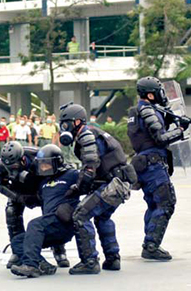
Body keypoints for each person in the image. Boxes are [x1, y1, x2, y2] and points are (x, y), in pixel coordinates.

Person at [58, 103, 137, 274]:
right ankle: (113, 258)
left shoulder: (86, 135)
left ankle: (89, 261)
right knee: (102, 217)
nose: (63, 128)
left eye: (66, 124)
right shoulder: (94, 132)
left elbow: (90, 167)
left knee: (80, 215)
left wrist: (78, 188)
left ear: (77, 122)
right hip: (118, 184)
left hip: (113, 185)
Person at [127, 76, 189, 261]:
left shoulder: (139, 111)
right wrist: (180, 129)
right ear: (150, 94)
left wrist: (168, 118)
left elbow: (149, 133)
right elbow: (160, 138)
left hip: (145, 163)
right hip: (153, 164)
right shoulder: (147, 110)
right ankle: (151, 245)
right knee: (166, 202)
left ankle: (150, 242)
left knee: (154, 204)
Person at [0, 141, 70, 269]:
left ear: (23, 159)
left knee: (51, 213)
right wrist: (19, 198)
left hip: (41, 187)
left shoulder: (36, 155)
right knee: (11, 212)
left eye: (15, 166)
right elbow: (1, 186)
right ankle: (18, 251)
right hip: (18, 190)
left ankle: (59, 249)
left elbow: (61, 166)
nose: (13, 170)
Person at [10, 144, 80, 278]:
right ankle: (43, 265)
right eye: (41, 165)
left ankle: (31, 266)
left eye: (47, 165)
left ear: (57, 162)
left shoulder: (71, 174)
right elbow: (36, 198)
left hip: (63, 222)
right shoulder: (43, 182)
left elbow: (89, 181)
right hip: (49, 228)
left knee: (35, 224)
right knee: (17, 241)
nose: (44, 168)